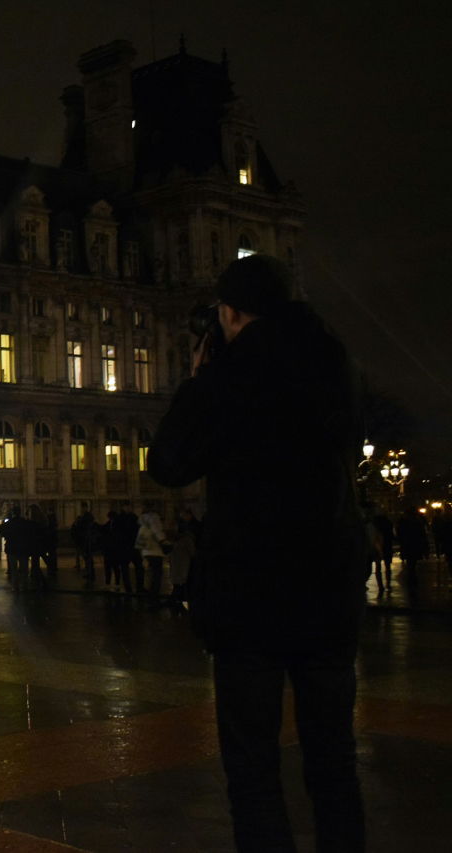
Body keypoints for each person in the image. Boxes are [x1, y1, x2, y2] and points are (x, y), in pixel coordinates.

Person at [149, 254, 367, 851]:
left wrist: (197, 382)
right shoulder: (336, 360)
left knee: (254, 772)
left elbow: (168, 462)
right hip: (329, 587)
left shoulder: (233, 371)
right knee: (334, 764)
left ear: (230, 313)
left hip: (251, 595)